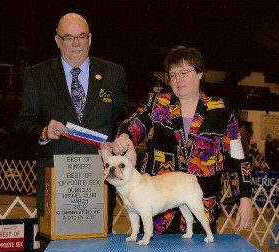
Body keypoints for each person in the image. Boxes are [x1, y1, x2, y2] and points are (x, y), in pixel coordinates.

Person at [101, 45, 253, 235]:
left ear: (199, 73)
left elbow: (237, 159)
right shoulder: (158, 103)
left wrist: (244, 198)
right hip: (157, 214)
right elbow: (135, 122)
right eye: (172, 75)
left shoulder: (220, 111)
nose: (177, 80)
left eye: (183, 73)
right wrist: (125, 136)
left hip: (202, 206)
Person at [14, 13, 129, 251]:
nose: (76, 43)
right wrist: (44, 131)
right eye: (68, 37)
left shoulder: (113, 73)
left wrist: (122, 138)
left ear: (90, 38)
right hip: (56, 186)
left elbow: (122, 121)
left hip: (98, 184)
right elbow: (22, 124)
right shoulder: (36, 75)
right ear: (57, 40)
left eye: (81, 36)